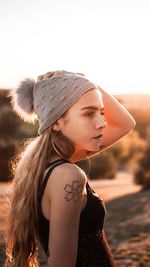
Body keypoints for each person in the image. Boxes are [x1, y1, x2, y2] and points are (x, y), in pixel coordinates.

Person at [5, 70, 136, 267]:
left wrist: (85, 83)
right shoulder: (67, 175)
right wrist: (84, 83)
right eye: (88, 114)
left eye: (101, 112)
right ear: (56, 121)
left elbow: (126, 124)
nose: (102, 123)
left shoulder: (49, 163)